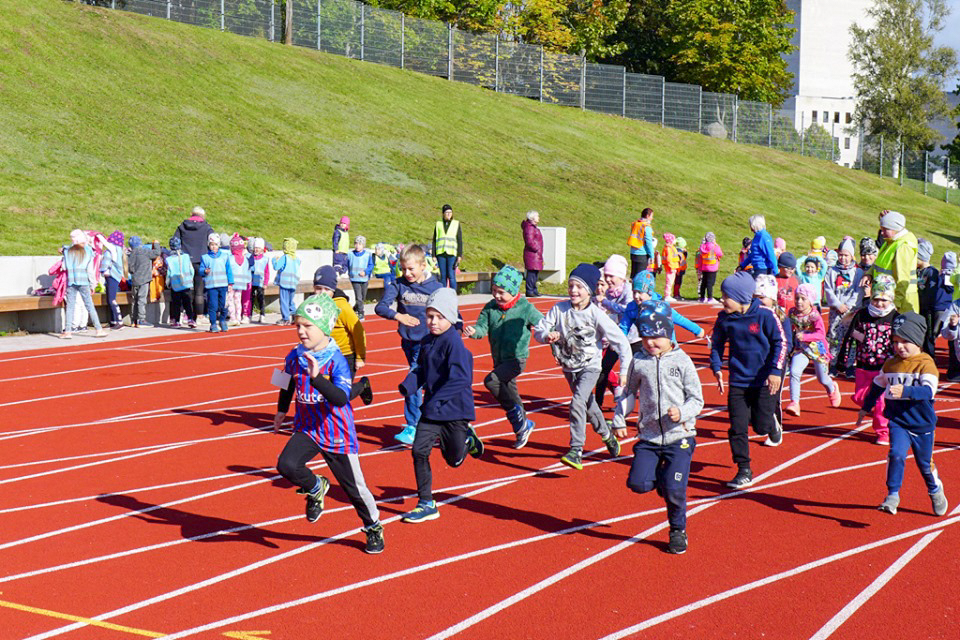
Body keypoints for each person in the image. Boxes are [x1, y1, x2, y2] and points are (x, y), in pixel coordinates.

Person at [272, 294, 384, 553]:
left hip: (336, 432)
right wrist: (280, 410)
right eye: (298, 326)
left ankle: (373, 526)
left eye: (307, 326)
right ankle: (315, 486)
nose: (301, 331)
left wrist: (317, 378)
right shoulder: (294, 355)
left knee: (354, 489)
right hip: (307, 427)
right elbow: (283, 382)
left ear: (324, 327)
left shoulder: (337, 360)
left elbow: (340, 397)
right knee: (286, 465)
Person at [614, 299, 704, 555]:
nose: (650, 343)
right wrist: (619, 419)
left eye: (655, 337)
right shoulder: (639, 361)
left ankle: (677, 530)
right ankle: (663, 482)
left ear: (667, 334)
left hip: (680, 436)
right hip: (650, 437)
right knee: (638, 484)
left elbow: (697, 399)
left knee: (675, 489)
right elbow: (628, 391)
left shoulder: (682, 361)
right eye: (644, 338)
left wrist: (682, 412)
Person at [534, 263, 632, 470]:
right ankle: (607, 435)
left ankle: (576, 449)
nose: (573, 291)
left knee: (577, 402)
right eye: (570, 285)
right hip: (570, 367)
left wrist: (624, 371)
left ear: (589, 289)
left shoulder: (596, 314)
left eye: (579, 287)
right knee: (589, 406)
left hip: (591, 367)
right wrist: (546, 336)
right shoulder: (558, 310)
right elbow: (539, 330)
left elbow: (621, 342)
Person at [399, 288, 482, 523]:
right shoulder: (427, 342)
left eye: (439, 317)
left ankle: (466, 439)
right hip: (432, 409)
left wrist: (436, 400)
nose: (433, 322)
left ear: (450, 318)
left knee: (453, 460)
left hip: (455, 409)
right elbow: (423, 370)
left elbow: (461, 379)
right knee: (419, 451)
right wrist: (409, 385)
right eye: (430, 316)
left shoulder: (454, 344)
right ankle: (426, 502)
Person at [858, 312, 948, 517]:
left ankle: (935, 489)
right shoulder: (891, 364)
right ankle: (892, 495)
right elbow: (877, 385)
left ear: (917, 340)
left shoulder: (926, 364)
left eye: (905, 341)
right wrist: (866, 406)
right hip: (898, 421)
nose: (899, 347)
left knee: (925, 464)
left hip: (922, 424)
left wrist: (905, 391)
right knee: (896, 454)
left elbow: (928, 392)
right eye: (895, 341)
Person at [710, 271, 787, 488]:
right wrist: (716, 367)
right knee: (737, 426)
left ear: (742, 297)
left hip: (763, 380)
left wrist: (774, 371)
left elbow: (780, 342)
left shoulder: (765, 315)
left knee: (760, 427)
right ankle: (744, 469)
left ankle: (771, 424)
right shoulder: (724, 319)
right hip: (738, 380)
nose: (722, 300)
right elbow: (716, 344)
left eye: (726, 296)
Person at [464, 266, 543, 449]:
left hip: (517, 358)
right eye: (493, 291)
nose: (496, 295)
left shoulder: (525, 308)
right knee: (511, 393)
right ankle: (523, 426)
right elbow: (482, 327)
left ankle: (517, 419)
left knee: (491, 381)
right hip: (499, 358)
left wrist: (553, 335)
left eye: (501, 292)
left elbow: (543, 323)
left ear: (513, 291)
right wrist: (475, 331)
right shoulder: (490, 307)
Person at [375, 244, 443, 445]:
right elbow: (380, 307)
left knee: (415, 380)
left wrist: (458, 328)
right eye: (403, 269)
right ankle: (430, 426)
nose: (407, 273)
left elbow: (452, 312)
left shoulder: (436, 287)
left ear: (423, 265)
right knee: (422, 381)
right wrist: (399, 316)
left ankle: (415, 425)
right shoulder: (398, 285)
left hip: (430, 343)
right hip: (409, 342)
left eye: (411, 269)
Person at [841, 275, 898, 445]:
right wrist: (842, 360)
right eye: (876, 299)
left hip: (884, 368)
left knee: (880, 401)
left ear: (891, 299)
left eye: (884, 300)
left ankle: (883, 432)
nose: (879, 304)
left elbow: (902, 340)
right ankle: (875, 409)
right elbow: (850, 336)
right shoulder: (862, 315)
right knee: (860, 397)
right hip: (863, 365)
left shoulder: (895, 317)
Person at [312, 265, 373, 404]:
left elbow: (358, 330)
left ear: (333, 290)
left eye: (326, 289)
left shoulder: (341, 306)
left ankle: (362, 386)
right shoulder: (312, 304)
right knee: (325, 392)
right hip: (325, 355)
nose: (322, 293)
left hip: (345, 356)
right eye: (318, 288)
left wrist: (360, 357)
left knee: (341, 394)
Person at [784, 283, 842, 417]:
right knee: (794, 371)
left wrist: (805, 336)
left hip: (818, 349)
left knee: (822, 379)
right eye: (797, 298)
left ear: (810, 301)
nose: (799, 302)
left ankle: (832, 387)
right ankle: (795, 403)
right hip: (802, 348)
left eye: (803, 299)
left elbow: (821, 334)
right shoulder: (792, 312)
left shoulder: (814, 316)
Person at [754, 274, 792, 447]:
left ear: (772, 298)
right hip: (756, 362)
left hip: (776, 363)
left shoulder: (781, 318)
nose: (758, 302)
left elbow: (788, 343)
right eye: (755, 298)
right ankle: (765, 420)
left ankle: (775, 427)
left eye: (762, 298)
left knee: (773, 395)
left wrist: (778, 361)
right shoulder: (751, 315)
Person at [825, 237, 865, 377]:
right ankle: (833, 364)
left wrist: (848, 306)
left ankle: (850, 365)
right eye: (841, 255)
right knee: (835, 338)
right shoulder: (832, 271)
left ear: (852, 256)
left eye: (846, 255)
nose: (843, 258)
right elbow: (828, 289)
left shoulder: (858, 272)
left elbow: (858, 291)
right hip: (836, 311)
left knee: (852, 339)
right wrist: (837, 304)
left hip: (851, 311)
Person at [595, 254, 631, 408]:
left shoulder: (628, 291)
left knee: (635, 373)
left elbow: (627, 310)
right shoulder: (607, 291)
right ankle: (596, 406)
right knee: (602, 370)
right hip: (613, 338)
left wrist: (606, 303)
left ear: (621, 277)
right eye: (606, 276)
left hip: (631, 338)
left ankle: (629, 401)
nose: (608, 279)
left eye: (611, 276)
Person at [60, 229, 107, 339]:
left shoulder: (67, 251)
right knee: (90, 306)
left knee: (70, 307)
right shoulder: (88, 251)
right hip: (84, 281)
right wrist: (93, 284)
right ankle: (98, 329)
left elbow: (64, 266)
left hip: (71, 281)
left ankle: (68, 331)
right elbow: (90, 270)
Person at [872, 210, 919, 313]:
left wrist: (895, 303)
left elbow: (902, 278)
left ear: (895, 229)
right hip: (886, 296)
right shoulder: (891, 241)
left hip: (901, 300)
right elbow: (880, 262)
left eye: (885, 230)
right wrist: (869, 274)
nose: (882, 233)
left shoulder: (904, 246)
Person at [173, 206, 215, 320]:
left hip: (185, 261)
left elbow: (174, 241)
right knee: (199, 291)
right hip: (200, 261)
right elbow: (214, 240)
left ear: (192, 214)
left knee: (185, 289)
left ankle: (184, 314)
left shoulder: (182, 226)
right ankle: (200, 316)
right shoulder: (206, 227)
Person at [200, 233, 233, 333]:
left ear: (219, 245)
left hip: (223, 285)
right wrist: (204, 271)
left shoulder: (225, 256)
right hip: (211, 286)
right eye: (211, 244)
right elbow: (201, 270)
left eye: (215, 244)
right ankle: (213, 323)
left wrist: (230, 283)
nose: (213, 247)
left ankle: (222, 320)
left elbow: (229, 270)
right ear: (208, 245)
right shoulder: (205, 257)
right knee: (213, 306)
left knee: (223, 305)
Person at [127, 236, 161, 328]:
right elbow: (157, 253)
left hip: (135, 280)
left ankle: (133, 320)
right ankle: (141, 319)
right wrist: (156, 244)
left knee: (135, 299)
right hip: (144, 279)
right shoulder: (145, 251)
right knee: (142, 299)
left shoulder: (132, 253)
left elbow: (130, 268)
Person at [915, 238, 940, 358]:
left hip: (927, 310)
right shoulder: (916, 271)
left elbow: (931, 292)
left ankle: (930, 358)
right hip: (917, 308)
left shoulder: (932, 272)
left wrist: (925, 304)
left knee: (928, 335)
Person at [165, 236, 196, 328]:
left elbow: (169, 274)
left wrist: (168, 284)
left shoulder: (169, 260)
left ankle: (177, 321)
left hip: (176, 285)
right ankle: (191, 319)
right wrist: (191, 279)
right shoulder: (186, 257)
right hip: (186, 284)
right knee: (188, 303)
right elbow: (192, 270)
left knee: (176, 304)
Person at [100, 231, 126, 330]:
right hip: (112, 276)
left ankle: (119, 321)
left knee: (112, 299)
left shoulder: (112, 250)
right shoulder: (118, 250)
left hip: (112, 276)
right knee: (109, 299)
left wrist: (98, 235)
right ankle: (113, 320)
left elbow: (106, 262)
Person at [272, 238, 301, 325]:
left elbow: (276, 267)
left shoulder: (285, 257)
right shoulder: (297, 259)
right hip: (293, 283)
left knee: (284, 301)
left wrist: (274, 260)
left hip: (284, 282)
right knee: (290, 301)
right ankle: (294, 315)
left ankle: (285, 318)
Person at [433, 204, 462, 289]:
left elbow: (459, 240)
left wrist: (459, 255)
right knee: (443, 276)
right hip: (441, 253)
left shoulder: (456, 224)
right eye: (446, 212)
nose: (449, 214)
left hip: (452, 253)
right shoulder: (438, 224)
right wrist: (433, 255)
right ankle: (443, 293)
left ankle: (453, 294)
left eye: (450, 212)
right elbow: (434, 240)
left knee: (451, 275)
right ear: (443, 214)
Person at [226, 234, 252, 325]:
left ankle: (232, 318)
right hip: (241, 283)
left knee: (230, 300)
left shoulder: (230, 258)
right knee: (238, 301)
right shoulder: (245, 259)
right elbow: (246, 271)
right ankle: (238, 317)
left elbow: (228, 270)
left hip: (232, 283)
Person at [347, 235, 374, 319]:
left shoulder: (367, 254)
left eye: (360, 244)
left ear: (363, 245)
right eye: (356, 243)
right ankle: (361, 313)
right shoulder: (350, 254)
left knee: (362, 297)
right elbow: (347, 264)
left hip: (364, 279)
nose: (357, 246)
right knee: (358, 297)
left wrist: (366, 272)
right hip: (354, 278)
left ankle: (356, 307)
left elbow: (371, 265)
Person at [627, 207, 655, 280]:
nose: (652, 218)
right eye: (652, 216)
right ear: (647, 216)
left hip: (633, 252)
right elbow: (648, 242)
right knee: (640, 277)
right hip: (642, 254)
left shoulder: (636, 224)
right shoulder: (646, 226)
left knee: (633, 276)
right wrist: (652, 255)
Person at [696, 231, 723, 302]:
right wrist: (717, 245)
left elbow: (700, 257)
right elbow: (720, 254)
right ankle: (710, 298)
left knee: (704, 282)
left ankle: (702, 297)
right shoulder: (714, 247)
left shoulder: (702, 246)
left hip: (704, 267)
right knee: (710, 283)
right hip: (712, 267)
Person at [522, 210, 543, 297]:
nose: (539, 218)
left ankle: (534, 289)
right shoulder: (530, 228)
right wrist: (536, 248)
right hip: (532, 254)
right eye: (537, 216)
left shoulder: (533, 227)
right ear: (532, 218)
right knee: (531, 273)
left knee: (535, 273)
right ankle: (530, 290)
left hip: (535, 254)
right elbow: (529, 241)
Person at [249, 238, 270, 323]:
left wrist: (265, 283)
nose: (256, 249)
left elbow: (267, 272)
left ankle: (262, 314)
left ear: (262, 249)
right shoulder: (250, 258)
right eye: (255, 247)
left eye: (258, 248)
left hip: (260, 282)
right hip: (252, 281)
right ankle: (249, 314)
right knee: (251, 298)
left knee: (261, 298)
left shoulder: (265, 259)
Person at [661, 233, 680, 302]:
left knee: (670, 282)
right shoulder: (669, 248)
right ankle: (667, 295)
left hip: (672, 267)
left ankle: (668, 295)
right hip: (670, 268)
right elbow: (669, 259)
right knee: (669, 281)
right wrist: (671, 267)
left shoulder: (671, 248)